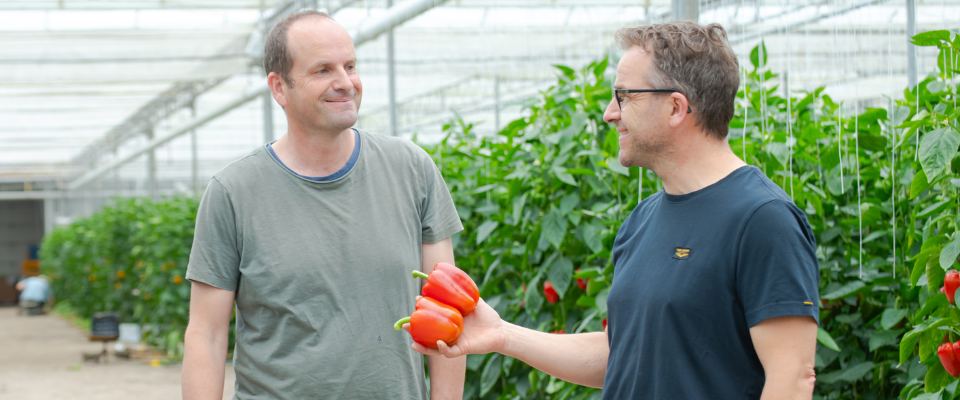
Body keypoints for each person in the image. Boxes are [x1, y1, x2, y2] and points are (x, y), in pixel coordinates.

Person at [407, 21, 820, 399]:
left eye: (624, 96)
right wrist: (501, 335)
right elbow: (621, 353)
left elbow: (792, 377)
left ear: (676, 108)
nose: (610, 113)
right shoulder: (643, 220)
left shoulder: (762, 220)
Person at [182, 11, 466, 400]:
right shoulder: (233, 193)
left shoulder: (411, 169)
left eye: (350, 66)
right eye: (323, 70)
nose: (345, 83)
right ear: (279, 87)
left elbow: (447, 310)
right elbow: (206, 335)